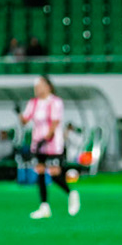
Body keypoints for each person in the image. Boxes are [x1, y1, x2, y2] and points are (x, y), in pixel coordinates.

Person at [23, 75, 77, 218]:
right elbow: (25, 120)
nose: (37, 89)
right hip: (38, 142)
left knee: (54, 173)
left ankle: (71, 193)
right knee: (40, 171)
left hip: (52, 143)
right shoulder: (33, 103)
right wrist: (18, 114)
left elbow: (55, 123)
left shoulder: (55, 102)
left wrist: (46, 138)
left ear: (48, 86)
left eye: (39, 85)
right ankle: (44, 206)